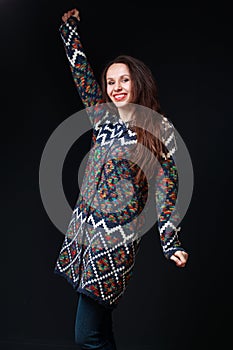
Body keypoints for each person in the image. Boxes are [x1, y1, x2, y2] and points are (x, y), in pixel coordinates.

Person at [54, 7, 189, 350]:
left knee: (86, 335)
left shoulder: (159, 128)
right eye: (110, 81)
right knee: (100, 330)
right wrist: (69, 31)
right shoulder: (103, 118)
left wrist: (170, 240)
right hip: (84, 233)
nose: (116, 87)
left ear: (137, 82)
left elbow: (168, 186)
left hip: (114, 243)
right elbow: (81, 73)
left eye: (124, 80)